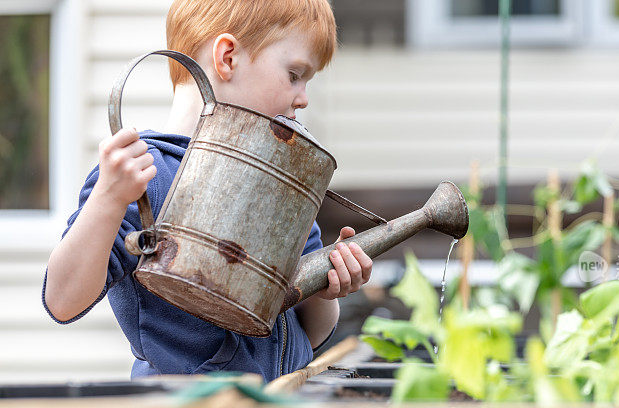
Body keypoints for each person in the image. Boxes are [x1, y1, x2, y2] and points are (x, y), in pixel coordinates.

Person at [42, 0, 372, 381]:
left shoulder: (283, 184)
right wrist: (108, 199)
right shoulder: (146, 174)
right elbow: (62, 301)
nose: (303, 97)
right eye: (294, 74)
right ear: (227, 57)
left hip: (280, 407)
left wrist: (324, 290)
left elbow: (308, 335)